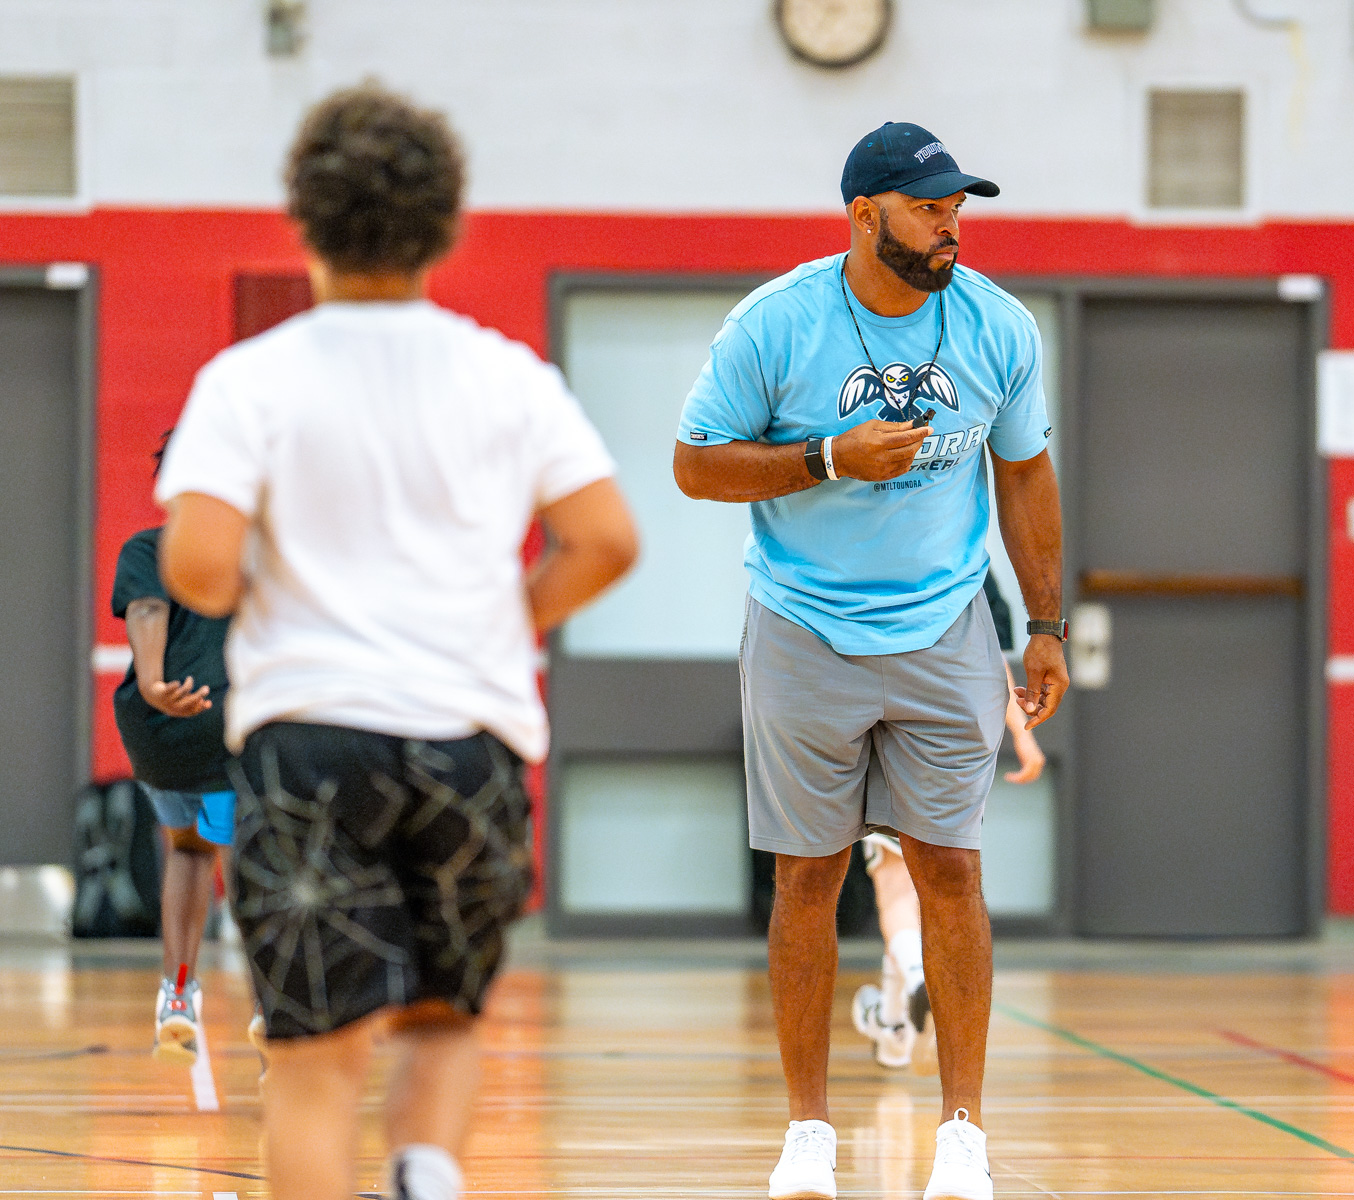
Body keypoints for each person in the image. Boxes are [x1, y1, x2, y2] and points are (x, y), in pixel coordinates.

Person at [155, 83, 638, 1200]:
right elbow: (604, 539)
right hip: (469, 743)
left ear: (305, 221)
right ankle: (425, 1172)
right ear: (446, 224)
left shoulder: (251, 382)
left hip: (311, 743)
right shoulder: (507, 374)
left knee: (316, 1062)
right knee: (439, 1019)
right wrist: (503, 619)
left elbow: (201, 567)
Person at [673, 121, 1068, 1200]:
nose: (952, 224)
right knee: (808, 877)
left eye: (958, 207)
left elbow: (1026, 475)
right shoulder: (778, 324)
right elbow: (694, 468)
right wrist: (822, 457)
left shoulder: (997, 325)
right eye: (931, 206)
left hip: (945, 629)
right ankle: (809, 1133)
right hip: (802, 626)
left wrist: (1043, 624)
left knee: (952, 868)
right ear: (864, 213)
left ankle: (963, 1136)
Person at [851, 574, 1046, 1069]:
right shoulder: (967, 572)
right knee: (932, 887)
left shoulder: (877, 572)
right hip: (953, 745)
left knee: (894, 886)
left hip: (882, 726)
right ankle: (894, 1026)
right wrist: (1023, 736)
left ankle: (918, 975)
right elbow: (991, 658)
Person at [112, 435, 240, 1064]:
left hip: (163, 732)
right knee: (249, 845)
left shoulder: (145, 547)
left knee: (189, 853)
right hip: (231, 726)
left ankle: (178, 991)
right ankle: (277, 1002)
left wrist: (156, 682)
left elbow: (146, 607)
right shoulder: (255, 552)